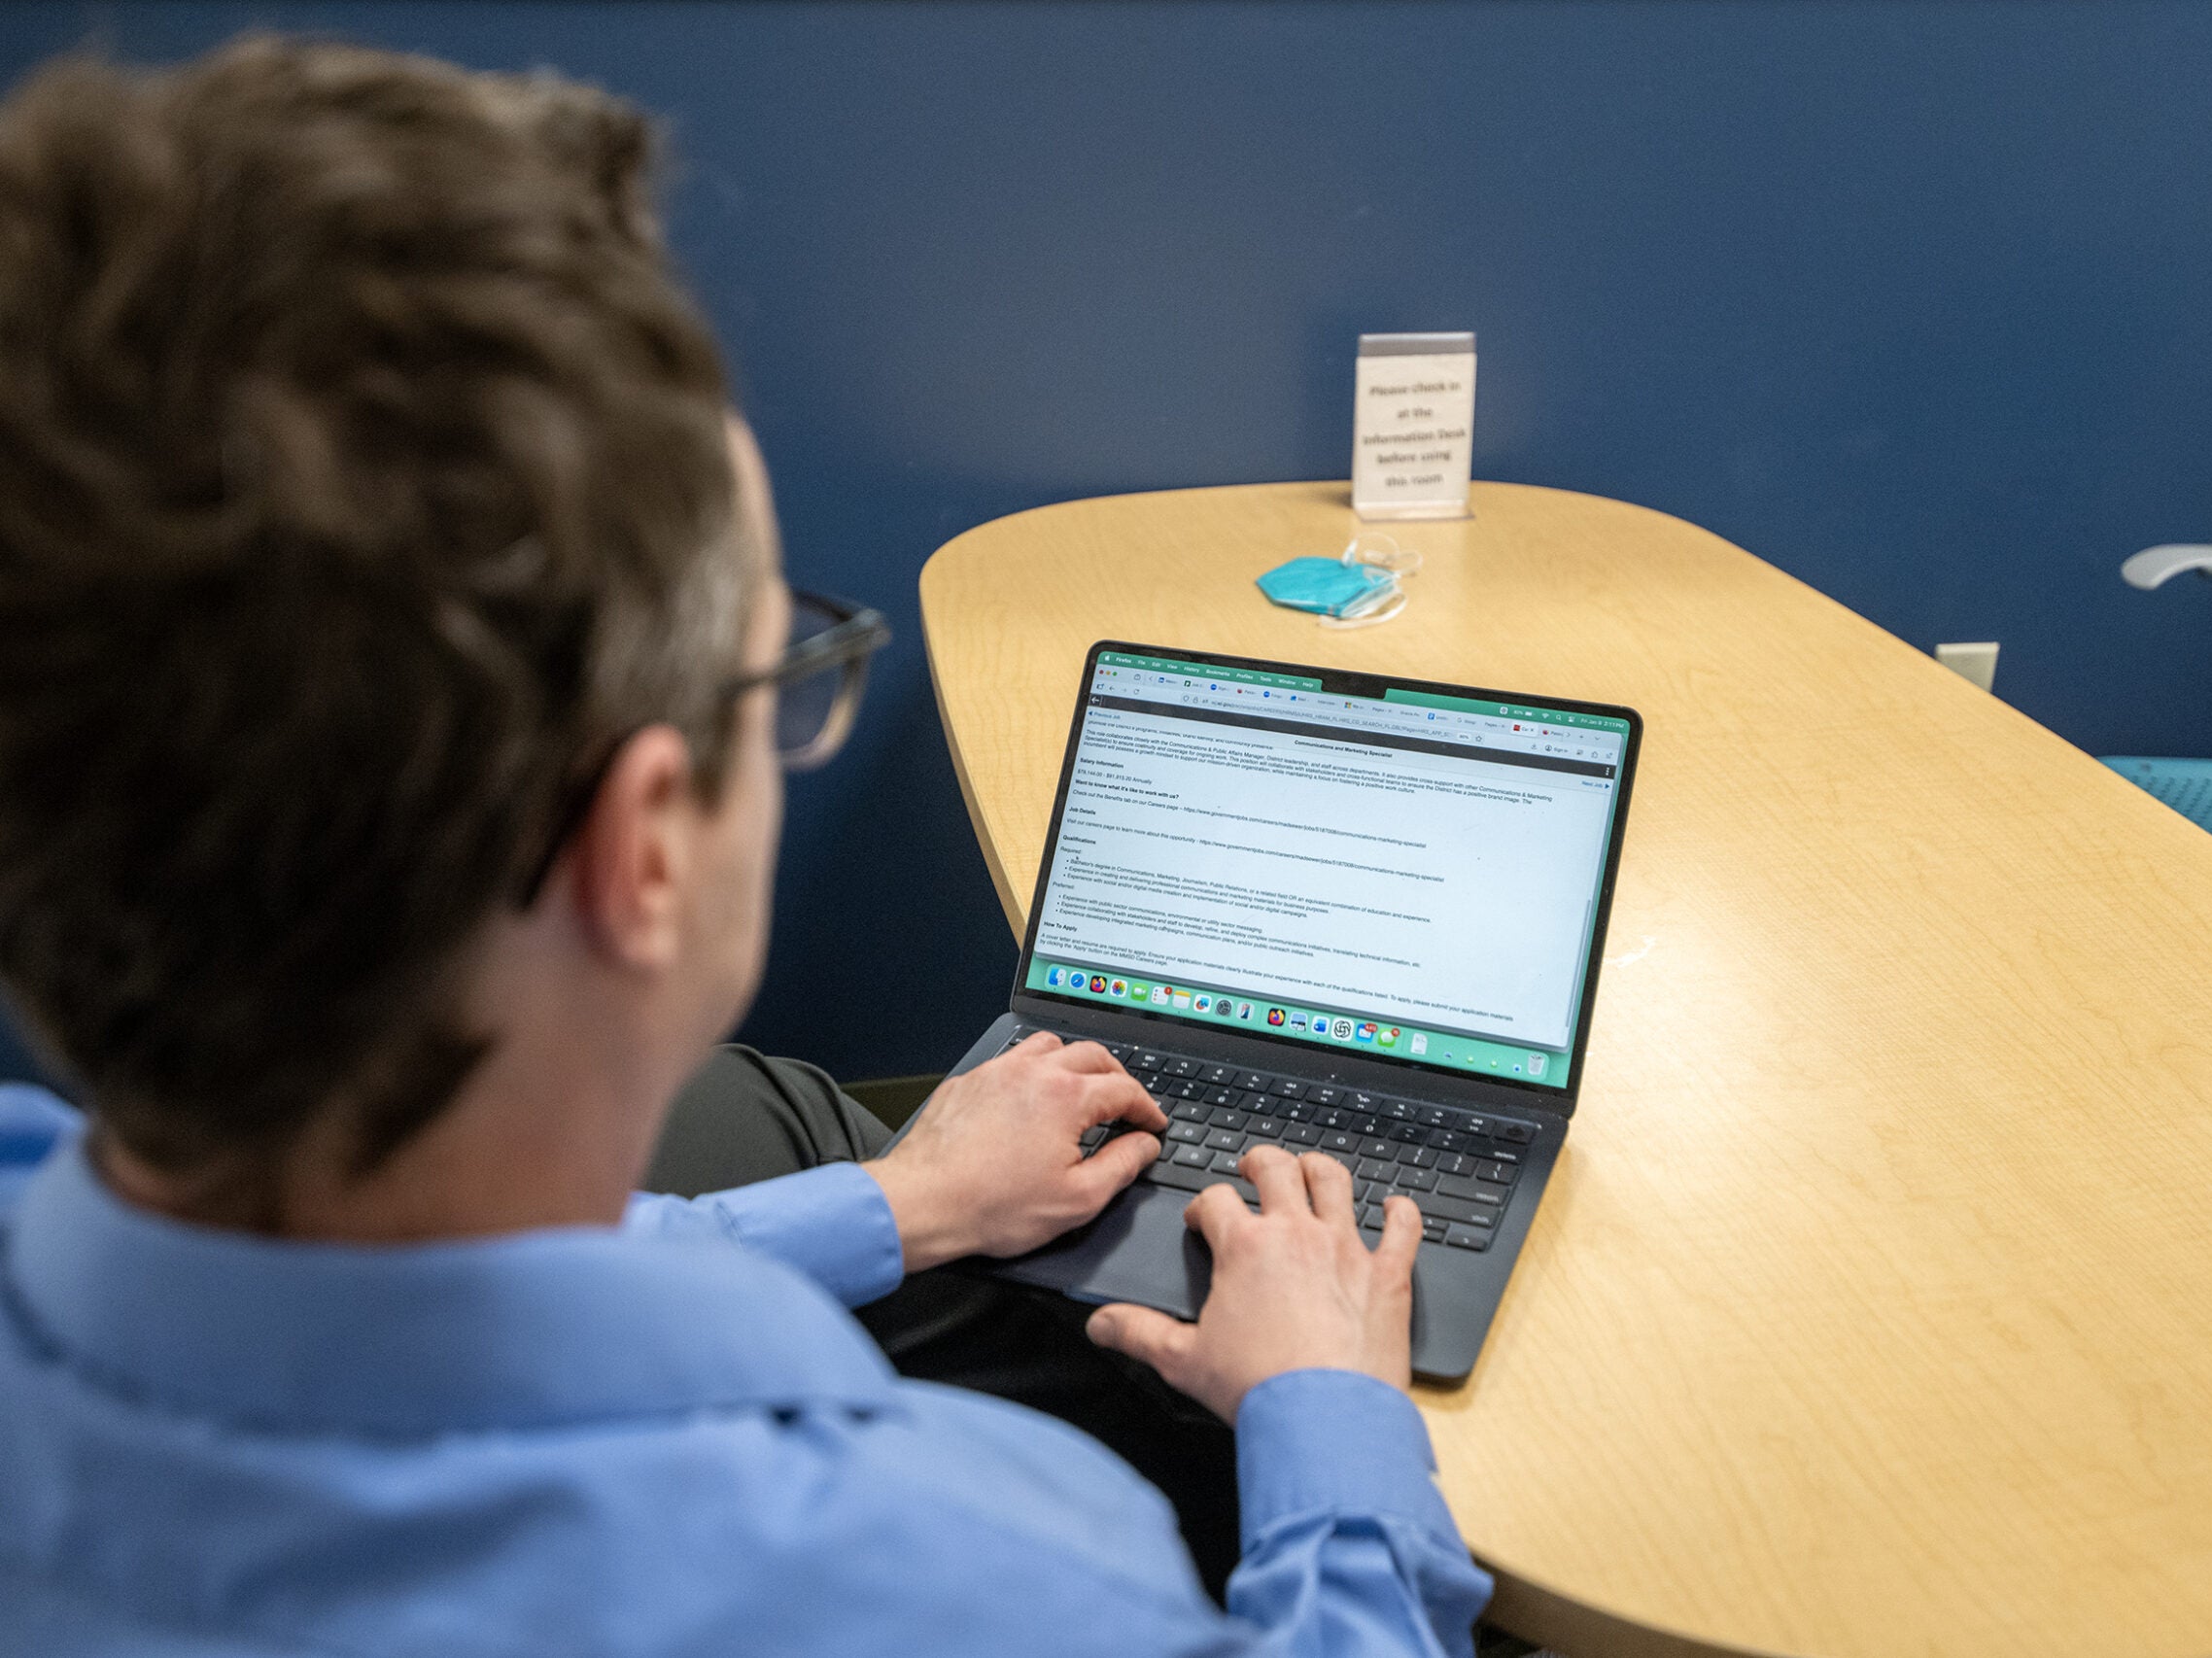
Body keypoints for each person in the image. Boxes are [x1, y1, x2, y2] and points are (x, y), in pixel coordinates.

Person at [0, 36, 1492, 1657]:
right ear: (642, 845)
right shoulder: (964, 1574)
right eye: (774, 664)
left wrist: (894, 1203)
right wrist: (1327, 1419)